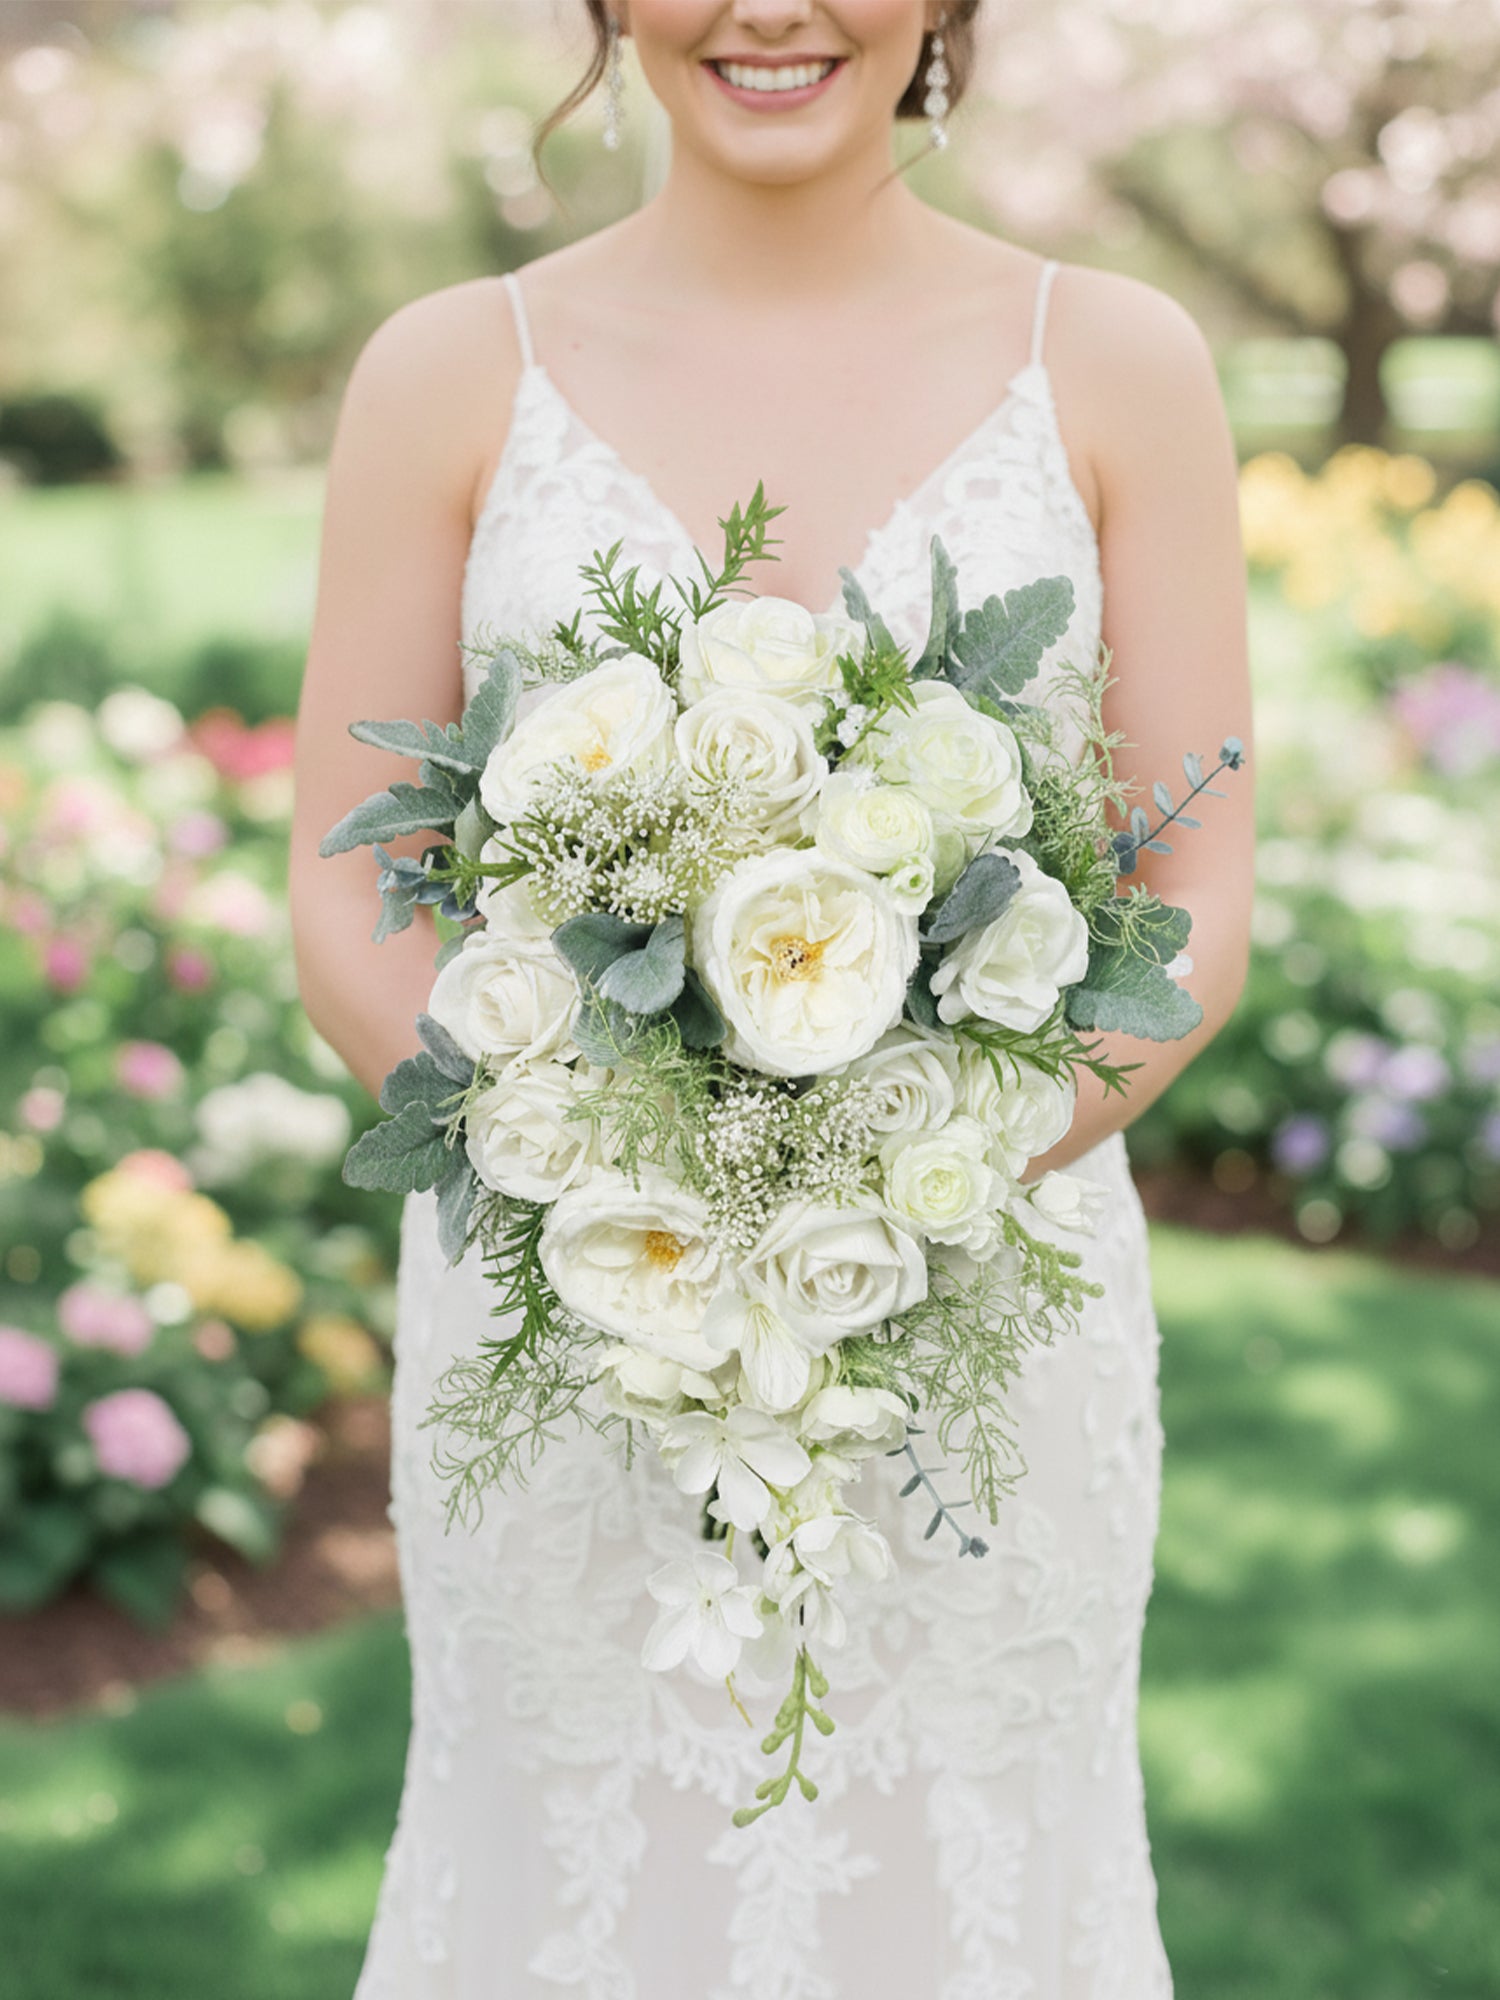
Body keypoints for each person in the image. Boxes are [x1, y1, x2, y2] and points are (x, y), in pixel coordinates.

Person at [289, 2, 1255, 1992]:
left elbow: (1199, 886)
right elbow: (342, 882)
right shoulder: (450, 372)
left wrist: (904, 1177)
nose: (771, 8)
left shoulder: (1119, 362)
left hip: (984, 1319)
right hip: (565, 1321)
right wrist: (600, 1181)